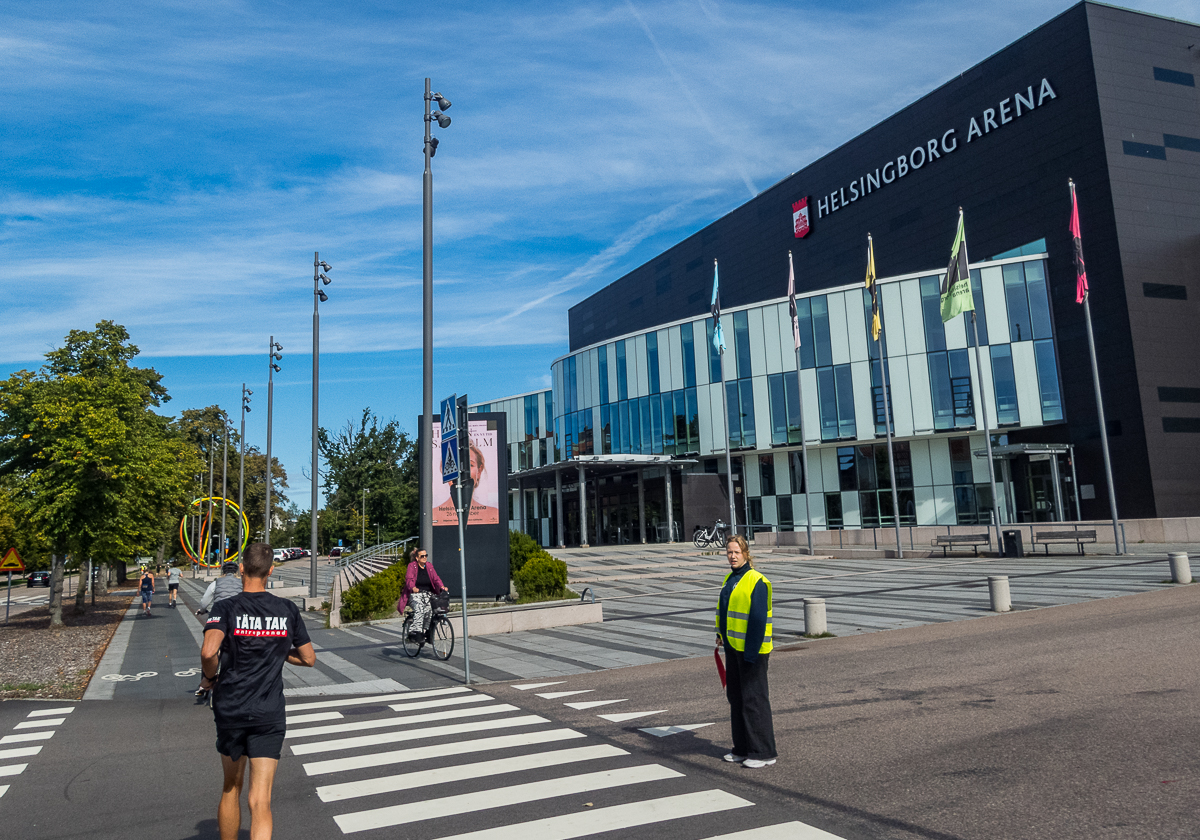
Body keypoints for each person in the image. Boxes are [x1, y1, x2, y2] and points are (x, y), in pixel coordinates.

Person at [199, 543, 315, 840]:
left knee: (231, 787)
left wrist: (208, 680)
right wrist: (278, 650)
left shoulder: (225, 607)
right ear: (271, 571)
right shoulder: (287, 609)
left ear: (241, 569)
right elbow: (308, 658)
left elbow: (209, 651)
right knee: (260, 800)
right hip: (269, 711)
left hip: (232, 708)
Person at [715, 534, 777, 769]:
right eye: (729, 552)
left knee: (755, 700)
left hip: (753, 651)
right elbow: (725, 611)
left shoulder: (757, 581)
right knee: (737, 699)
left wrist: (750, 652)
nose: (732, 556)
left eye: (736, 552)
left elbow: (758, 620)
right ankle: (741, 748)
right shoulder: (730, 579)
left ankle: (763, 752)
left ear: (746, 554)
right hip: (733, 648)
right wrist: (721, 635)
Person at [395, 548, 449, 643]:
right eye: (422, 556)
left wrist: (442, 586)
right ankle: (416, 633)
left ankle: (426, 631)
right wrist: (413, 588)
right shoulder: (412, 566)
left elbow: (436, 578)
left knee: (429, 611)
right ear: (417, 558)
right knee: (420, 608)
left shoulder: (429, 566)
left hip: (427, 594)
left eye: (426, 555)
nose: (424, 558)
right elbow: (408, 580)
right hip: (414, 595)